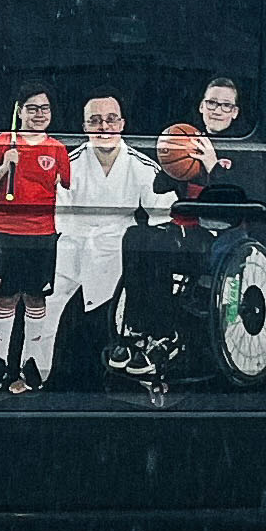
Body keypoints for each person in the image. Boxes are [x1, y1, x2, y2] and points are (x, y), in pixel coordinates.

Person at [51, 92, 154, 386]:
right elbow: (58, 218)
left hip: (119, 252)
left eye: (111, 120)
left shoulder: (141, 165)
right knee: (52, 317)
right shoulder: (68, 164)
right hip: (72, 250)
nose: (104, 127)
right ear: (84, 126)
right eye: (95, 121)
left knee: (110, 322)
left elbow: (163, 216)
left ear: (122, 124)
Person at [0, 85, 68, 389]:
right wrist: (4, 167)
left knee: (36, 297)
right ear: (20, 111)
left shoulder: (58, 149)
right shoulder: (3, 142)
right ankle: (0, 364)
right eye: (32, 108)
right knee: (5, 296)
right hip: (4, 232)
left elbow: (69, 191)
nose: (39, 114)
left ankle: (30, 364)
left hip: (42, 234)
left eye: (44, 108)